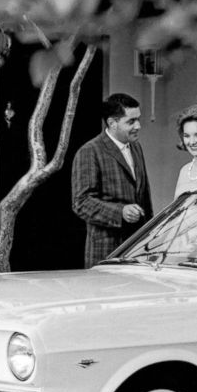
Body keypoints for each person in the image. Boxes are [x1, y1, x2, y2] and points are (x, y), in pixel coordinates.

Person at [72, 93, 153, 267]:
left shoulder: (136, 147)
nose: (138, 126)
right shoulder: (89, 151)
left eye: (138, 119)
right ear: (112, 123)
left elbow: (144, 196)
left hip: (136, 250)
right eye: (131, 122)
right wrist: (121, 212)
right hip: (106, 251)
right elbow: (81, 202)